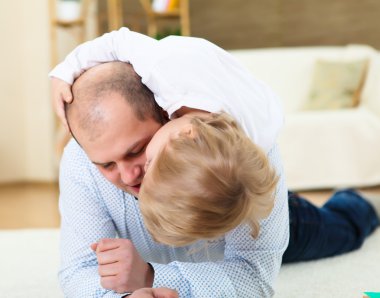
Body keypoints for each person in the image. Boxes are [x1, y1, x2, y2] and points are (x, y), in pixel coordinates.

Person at [50, 28, 379, 297]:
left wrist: (151, 276)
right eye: (106, 164)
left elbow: (254, 280)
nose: (129, 174)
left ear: (167, 112)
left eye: (138, 150)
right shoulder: (80, 160)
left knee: (342, 231)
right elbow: (79, 272)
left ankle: (358, 202)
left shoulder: (242, 152)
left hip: (243, 202)